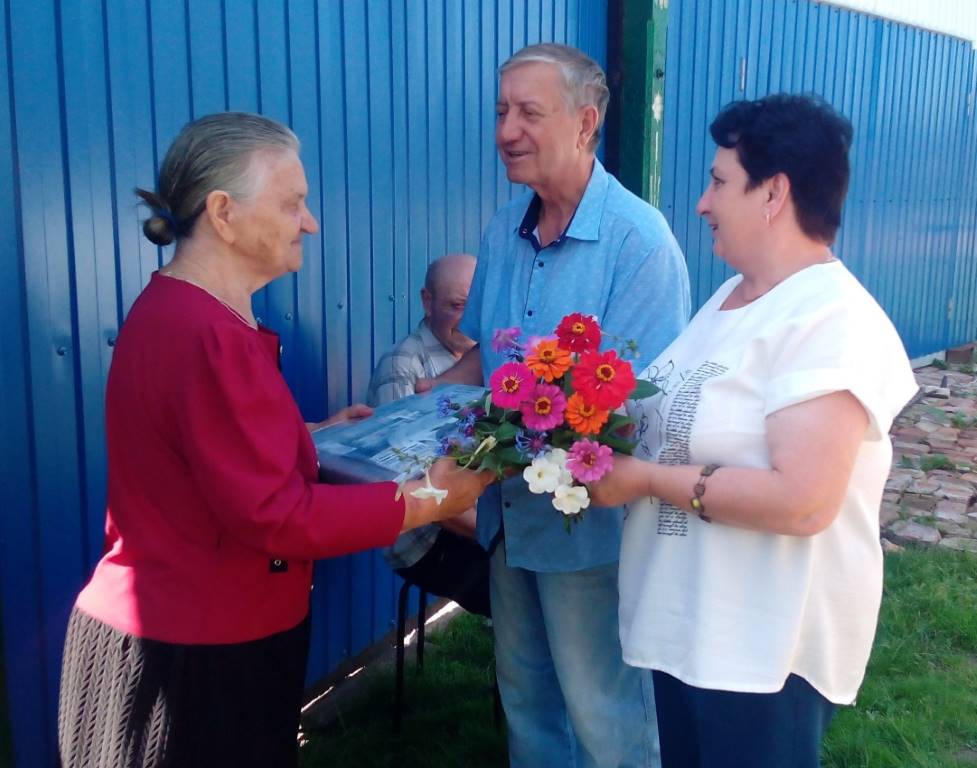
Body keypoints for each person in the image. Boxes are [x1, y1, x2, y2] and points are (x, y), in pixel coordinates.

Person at [56, 112, 492, 768]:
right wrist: (429, 496)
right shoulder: (207, 334)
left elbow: (199, 448)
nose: (308, 222)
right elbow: (276, 516)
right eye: (292, 203)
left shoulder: (185, 312)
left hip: (193, 638)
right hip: (193, 658)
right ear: (223, 213)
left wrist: (309, 435)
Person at [587, 94, 918, 768]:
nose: (702, 203)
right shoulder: (731, 298)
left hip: (761, 651)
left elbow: (802, 501)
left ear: (773, 193)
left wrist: (645, 480)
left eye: (718, 182)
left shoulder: (830, 321)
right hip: (690, 629)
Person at [423, 44, 690, 767]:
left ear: (585, 122)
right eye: (501, 111)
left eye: (528, 113)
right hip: (506, 517)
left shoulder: (639, 243)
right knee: (528, 705)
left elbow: (642, 407)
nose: (506, 130)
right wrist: (424, 402)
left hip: (588, 530)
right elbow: (486, 356)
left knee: (605, 716)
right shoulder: (503, 229)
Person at [366, 253, 491, 617]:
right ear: (427, 301)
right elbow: (409, 484)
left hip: (474, 515)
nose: (469, 320)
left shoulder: (491, 357)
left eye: (476, 306)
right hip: (424, 535)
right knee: (518, 595)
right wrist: (496, 534)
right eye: (456, 306)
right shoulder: (404, 366)